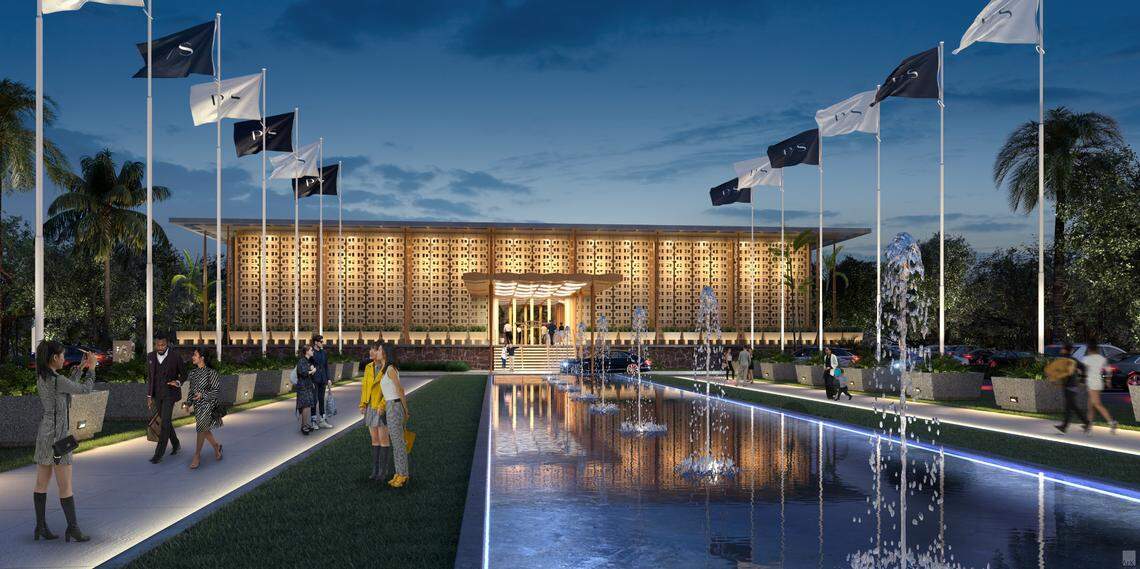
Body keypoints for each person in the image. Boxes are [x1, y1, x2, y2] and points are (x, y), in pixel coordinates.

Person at [32, 341, 97, 543]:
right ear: (54, 358)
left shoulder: (44, 377)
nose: (64, 359)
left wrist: (81, 367)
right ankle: (73, 529)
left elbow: (67, 387)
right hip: (59, 437)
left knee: (41, 483)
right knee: (66, 486)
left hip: (44, 434)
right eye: (62, 356)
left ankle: (40, 526)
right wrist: (92, 369)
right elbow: (84, 390)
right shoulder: (58, 380)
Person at [182, 347, 223, 469]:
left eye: (195, 355)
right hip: (198, 406)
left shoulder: (211, 373)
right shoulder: (193, 373)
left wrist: (203, 395)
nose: (192, 357)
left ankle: (197, 455)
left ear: (202, 358)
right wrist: (188, 403)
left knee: (200, 428)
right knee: (204, 429)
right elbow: (191, 391)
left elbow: (216, 391)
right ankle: (216, 446)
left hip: (208, 405)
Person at [147, 332, 184, 464]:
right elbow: (150, 378)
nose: (160, 347)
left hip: (170, 394)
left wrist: (177, 382)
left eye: (163, 345)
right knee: (165, 421)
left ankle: (158, 454)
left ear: (167, 344)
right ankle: (176, 444)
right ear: (155, 344)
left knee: (164, 423)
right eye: (158, 345)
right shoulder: (150, 356)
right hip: (157, 394)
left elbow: (184, 374)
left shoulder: (175, 356)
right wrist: (149, 396)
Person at [378, 344, 411, 487]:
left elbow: (400, 390)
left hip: (395, 406)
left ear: (385, 353)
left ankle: (403, 475)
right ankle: (398, 473)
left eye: (380, 350)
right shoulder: (386, 369)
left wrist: (406, 410)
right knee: (396, 442)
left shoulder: (391, 369)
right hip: (390, 405)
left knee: (399, 443)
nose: (378, 352)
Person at [359, 344, 392, 481]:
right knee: (374, 440)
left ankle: (383, 472)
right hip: (370, 407)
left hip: (380, 407)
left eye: (375, 349)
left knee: (383, 440)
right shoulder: (368, 367)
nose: (371, 352)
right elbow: (365, 387)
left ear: (382, 352)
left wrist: (382, 405)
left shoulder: (387, 369)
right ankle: (375, 470)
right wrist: (362, 404)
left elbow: (389, 389)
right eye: (371, 349)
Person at [1051, 343, 1089, 434]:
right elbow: (1083, 367)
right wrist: (1082, 379)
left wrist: (1082, 379)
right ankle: (1083, 423)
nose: (1061, 350)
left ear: (1065, 350)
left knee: (1071, 406)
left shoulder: (1067, 359)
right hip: (1070, 385)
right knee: (1071, 406)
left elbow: (1083, 367)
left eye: (1062, 348)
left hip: (1070, 385)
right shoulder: (1071, 359)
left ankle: (1067, 426)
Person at [1082, 343, 1118, 434]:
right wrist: (1108, 380)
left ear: (1089, 349)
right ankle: (1088, 426)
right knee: (1090, 405)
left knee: (1097, 404)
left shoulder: (1087, 359)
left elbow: (1083, 371)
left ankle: (1112, 422)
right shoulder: (1102, 358)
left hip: (1092, 384)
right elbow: (1109, 370)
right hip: (1098, 383)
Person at [310, 334, 332, 430]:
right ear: (316, 342)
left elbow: (326, 366)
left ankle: (322, 420)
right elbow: (308, 363)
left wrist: (329, 379)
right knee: (314, 400)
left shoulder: (324, 352)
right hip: (314, 379)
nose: (322, 343)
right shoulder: (311, 352)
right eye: (321, 341)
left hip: (323, 379)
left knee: (322, 399)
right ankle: (313, 421)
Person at [296, 345, 318, 435]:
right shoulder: (302, 361)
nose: (313, 351)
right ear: (307, 351)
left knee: (307, 405)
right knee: (305, 406)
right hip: (303, 387)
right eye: (311, 350)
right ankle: (303, 426)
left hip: (307, 386)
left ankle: (305, 424)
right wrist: (312, 371)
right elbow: (303, 373)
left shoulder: (308, 361)